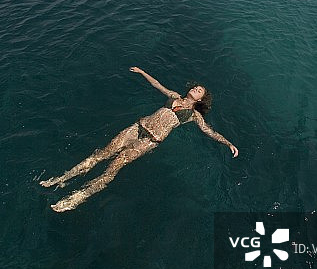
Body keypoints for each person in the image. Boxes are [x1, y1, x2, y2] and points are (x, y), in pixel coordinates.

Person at [40, 67, 238, 212]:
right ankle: (61, 179)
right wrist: (143, 72)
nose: (195, 89)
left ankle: (74, 200)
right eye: (195, 87)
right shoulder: (174, 95)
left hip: (149, 141)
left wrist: (228, 143)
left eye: (199, 91)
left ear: (201, 99)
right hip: (136, 128)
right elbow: (157, 85)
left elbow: (210, 132)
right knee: (101, 155)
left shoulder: (194, 116)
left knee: (112, 170)